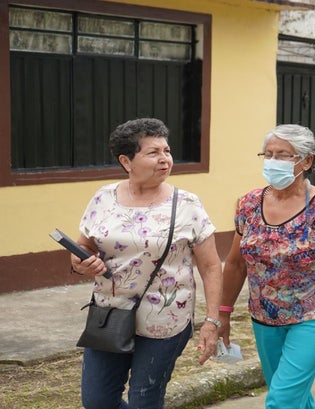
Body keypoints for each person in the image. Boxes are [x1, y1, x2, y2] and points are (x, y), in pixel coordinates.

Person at [70, 118, 223, 409]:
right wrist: (81, 262)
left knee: (144, 400)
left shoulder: (187, 204)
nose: (164, 159)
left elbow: (211, 266)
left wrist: (212, 321)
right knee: (97, 401)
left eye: (167, 151)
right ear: (126, 161)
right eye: (153, 153)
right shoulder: (103, 198)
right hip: (110, 314)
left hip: (165, 320)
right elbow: (84, 247)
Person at [218, 124, 315, 408]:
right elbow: (235, 264)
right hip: (264, 317)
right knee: (293, 397)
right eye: (268, 154)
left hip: (314, 316)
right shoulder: (249, 204)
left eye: (283, 155)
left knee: (281, 401)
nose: (273, 161)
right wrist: (222, 314)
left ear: (306, 161)